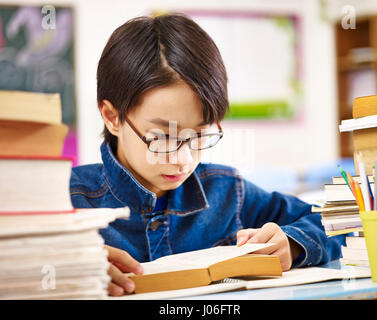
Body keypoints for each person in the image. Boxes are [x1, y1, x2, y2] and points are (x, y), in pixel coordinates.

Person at [70, 13, 345, 296]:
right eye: (163, 137)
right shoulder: (63, 201)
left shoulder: (227, 192)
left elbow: (338, 221)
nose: (184, 159)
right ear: (112, 117)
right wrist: (64, 266)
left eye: (199, 136)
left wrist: (294, 242)